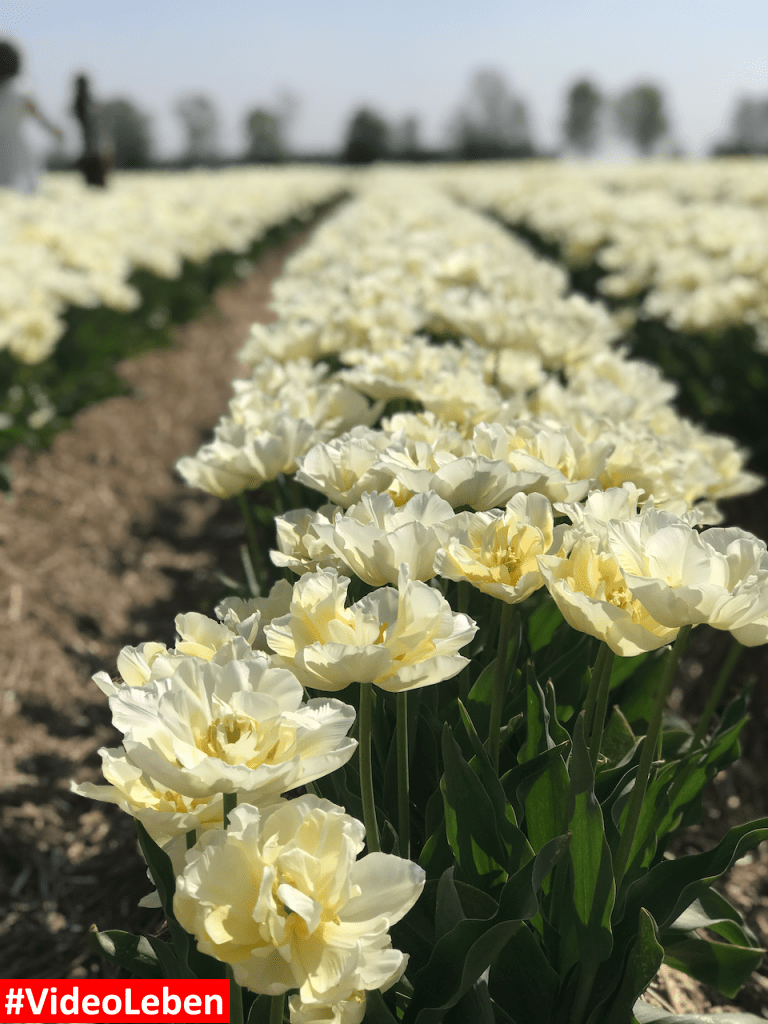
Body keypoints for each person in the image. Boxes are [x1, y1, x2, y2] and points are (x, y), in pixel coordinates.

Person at [0, 39, 62, 193]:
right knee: (20, 191)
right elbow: (40, 117)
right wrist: (56, 132)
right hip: (18, 148)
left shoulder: (17, 91)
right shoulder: (21, 90)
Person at [72, 73, 110, 186]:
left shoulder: (84, 102)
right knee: (96, 184)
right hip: (91, 149)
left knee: (95, 184)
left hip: (92, 149)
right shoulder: (85, 103)